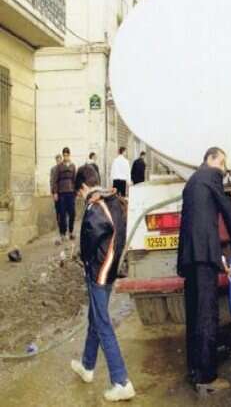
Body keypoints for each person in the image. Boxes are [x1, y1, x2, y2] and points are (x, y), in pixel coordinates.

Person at [177, 147, 231, 393]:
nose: (224, 169)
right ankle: (207, 378)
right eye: (222, 162)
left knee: (194, 314)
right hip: (204, 256)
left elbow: (199, 222)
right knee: (208, 315)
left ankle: (194, 371)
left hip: (189, 256)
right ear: (210, 159)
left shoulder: (192, 182)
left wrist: (220, 259)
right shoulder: (211, 176)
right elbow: (226, 210)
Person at [70, 164, 135, 402]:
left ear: (83, 187)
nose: (80, 197)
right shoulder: (112, 199)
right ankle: (87, 366)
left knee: (102, 323)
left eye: (78, 192)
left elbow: (89, 242)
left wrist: (86, 263)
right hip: (110, 269)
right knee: (95, 317)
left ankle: (121, 381)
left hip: (99, 271)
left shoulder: (95, 206)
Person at [51, 147, 77, 242]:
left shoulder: (73, 166)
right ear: (63, 155)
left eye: (67, 155)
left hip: (71, 192)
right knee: (62, 214)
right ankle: (63, 233)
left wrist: (76, 191)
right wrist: (55, 192)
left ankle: (71, 231)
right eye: (64, 155)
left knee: (72, 213)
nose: (66, 157)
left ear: (69, 155)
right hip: (61, 193)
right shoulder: (59, 166)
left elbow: (74, 179)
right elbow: (54, 180)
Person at [50, 154, 62, 241]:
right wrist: (53, 192)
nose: (59, 161)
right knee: (58, 210)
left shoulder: (64, 168)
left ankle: (64, 227)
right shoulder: (53, 169)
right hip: (56, 193)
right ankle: (59, 225)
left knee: (64, 211)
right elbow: (51, 181)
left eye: (60, 160)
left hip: (63, 192)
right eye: (57, 160)